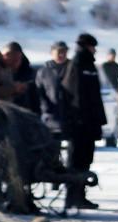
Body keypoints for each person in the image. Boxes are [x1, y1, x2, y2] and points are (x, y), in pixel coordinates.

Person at [37, 32, 105, 211]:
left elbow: (94, 97)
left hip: (88, 124)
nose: (94, 50)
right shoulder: (76, 65)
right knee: (76, 162)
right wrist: (77, 120)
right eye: (92, 47)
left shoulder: (88, 65)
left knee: (84, 161)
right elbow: (72, 97)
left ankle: (79, 196)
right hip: (79, 124)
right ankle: (73, 197)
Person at [99, 46, 118, 148]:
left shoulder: (116, 65)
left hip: (114, 94)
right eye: (111, 55)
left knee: (115, 117)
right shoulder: (103, 66)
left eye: (114, 55)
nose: (112, 57)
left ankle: (113, 137)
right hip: (104, 93)